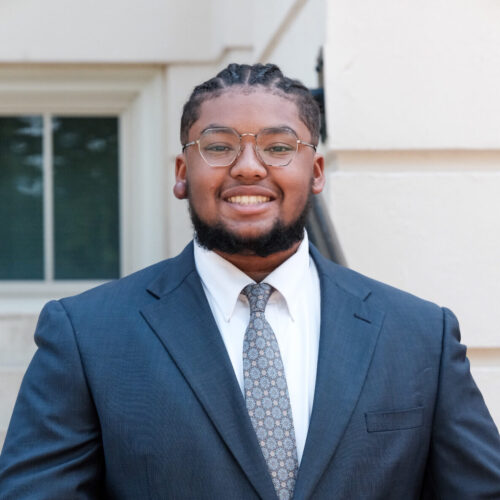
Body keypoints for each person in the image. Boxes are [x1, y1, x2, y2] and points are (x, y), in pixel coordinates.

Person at [0, 63, 499, 499]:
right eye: (218, 146)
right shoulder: (86, 335)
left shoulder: (418, 336)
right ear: (181, 172)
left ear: (317, 171)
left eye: (278, 146)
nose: (247, 167)